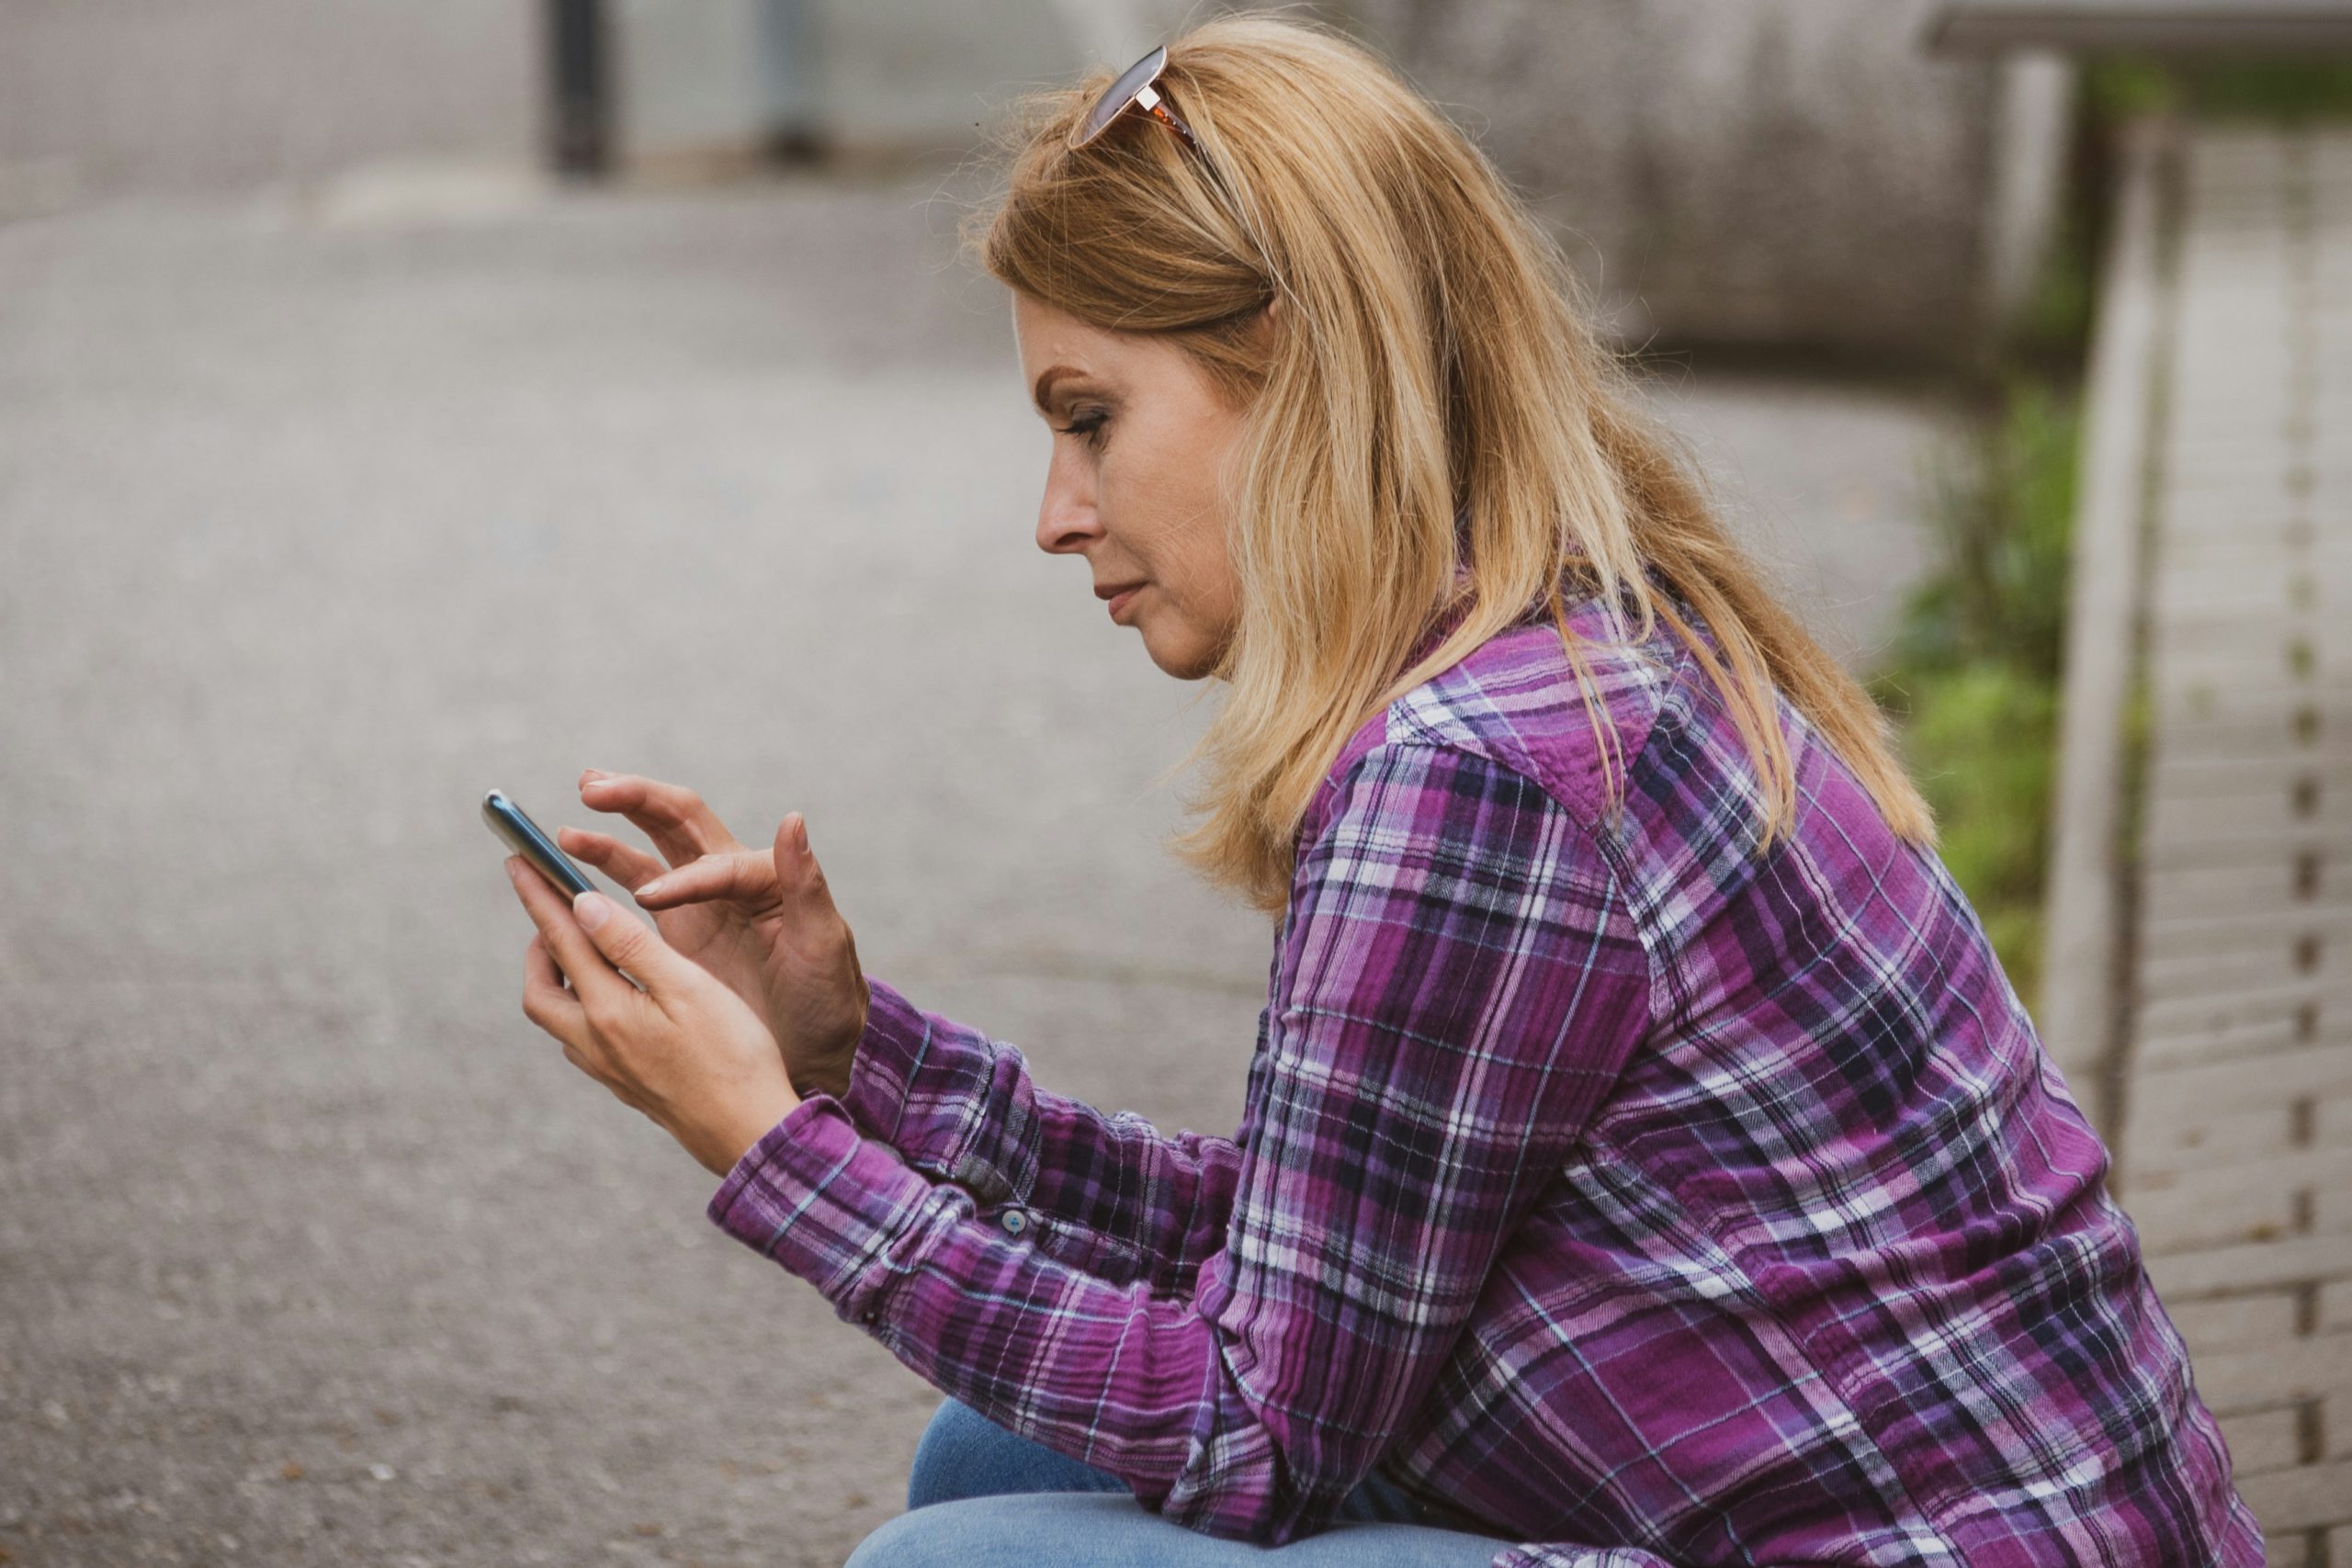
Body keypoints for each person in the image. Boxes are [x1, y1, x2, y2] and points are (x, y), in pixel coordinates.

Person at [500, 15, 2263, 1567]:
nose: (1053, 512)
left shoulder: (1475, 771)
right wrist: (852, 1056)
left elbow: (1261, 1433)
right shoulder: (1583, 637)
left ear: (1294, 372)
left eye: (1090, 417)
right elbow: (1323, 1264)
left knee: (948, 1562)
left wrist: (774, 1150)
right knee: (995, 1453)